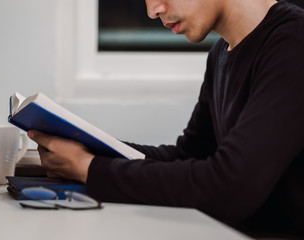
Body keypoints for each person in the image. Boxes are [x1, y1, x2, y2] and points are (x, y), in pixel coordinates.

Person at [28, 0, 304, 237]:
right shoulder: (220, 54)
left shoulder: (294, 42)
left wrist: (89, 168)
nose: (153, 10)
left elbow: (230, 188)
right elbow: (188, 157)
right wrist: (88, 148)